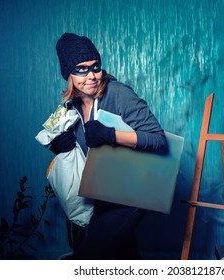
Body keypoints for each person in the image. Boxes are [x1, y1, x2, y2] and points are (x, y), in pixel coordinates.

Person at [50, 32, 168, 260]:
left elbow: (158, 139)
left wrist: (111, 135)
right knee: (121, 257)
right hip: (99, 195)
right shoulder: (67, 106)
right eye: (81, 69)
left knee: (88, 257)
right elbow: (57, 142)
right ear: (68, 75)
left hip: (131, 194)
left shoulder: (118, 93)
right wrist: (58, 147)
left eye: (96, 67)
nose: (92, 76)